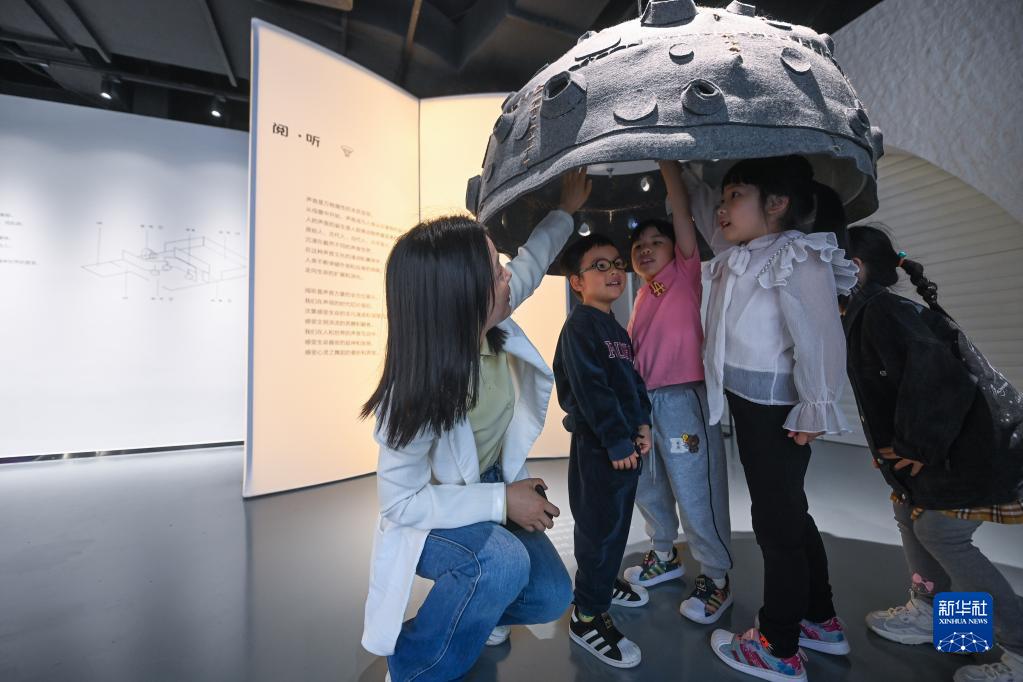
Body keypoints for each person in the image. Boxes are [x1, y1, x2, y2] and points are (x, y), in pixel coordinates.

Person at [360, 169, 592, 682]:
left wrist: (566, 210)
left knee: (551, 595)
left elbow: (531, 262)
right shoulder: (412, 397)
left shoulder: (492, 321)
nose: (508, 275)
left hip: (485, 486)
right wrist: (502, 501)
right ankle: (413, 667)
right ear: (461, 296)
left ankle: (472, 612)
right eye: (494, 270)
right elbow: (400, 504)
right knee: (502, 563)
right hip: (429, 513)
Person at [693, 156, 857, 682]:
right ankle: (819, 618)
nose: (722, 207)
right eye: (723, 197)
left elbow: (821, 335)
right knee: (789, 514)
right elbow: (699, 209)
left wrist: (816, 402)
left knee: (776, 526)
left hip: (776, 410)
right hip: (750, 402)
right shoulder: (741, 254)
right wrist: (675, 169)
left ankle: (778, 646)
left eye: (736, 195)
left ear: (777, 202)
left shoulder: (795, 254)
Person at [843, 223, 1023, 682]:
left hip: (980, 445)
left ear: (854, 267)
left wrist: (916, 445)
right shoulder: (871, 311)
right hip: (958, 442)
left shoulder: (880, 310)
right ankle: (943, 620)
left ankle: (1020, 648)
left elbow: (941, 376)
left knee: (942, 533)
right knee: (909, 510)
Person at [623, 160, 734, 626]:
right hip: (646, 405)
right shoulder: (642, 294)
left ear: (677, 248)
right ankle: (664, 554)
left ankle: (716, 576)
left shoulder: (686, 274)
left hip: (683, 402)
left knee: (694, 487)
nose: (646, 249)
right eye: (639, 246)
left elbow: (683, 215)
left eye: (657, 241)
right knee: (648, 484)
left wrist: (667, 162)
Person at [553, 233, 653, 669]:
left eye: (616, 264)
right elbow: (590, 390)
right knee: (599, 529)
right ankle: (587, 615)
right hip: (600, 448)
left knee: (615, 526)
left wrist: (642, 422)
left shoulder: (615, 328)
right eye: (599, 265)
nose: (613, 271)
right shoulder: (580, 327)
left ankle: (603, 583)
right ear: (576, 282)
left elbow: (632, 382)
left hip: (624, 445)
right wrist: (615, 439)